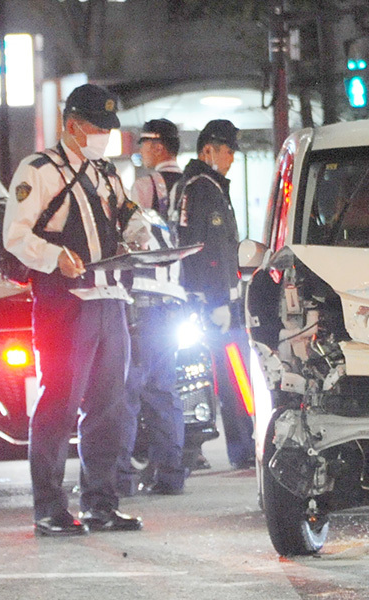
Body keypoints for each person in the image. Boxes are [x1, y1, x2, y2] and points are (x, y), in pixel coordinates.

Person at [3, 83, 146, 536]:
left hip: (109, 299)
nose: (103, 134)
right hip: (64, 304)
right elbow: (16, 235)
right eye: (96, 127)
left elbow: (128, 212)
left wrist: (140, 233)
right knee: (57, 406)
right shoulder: (39, 170)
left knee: (109, 408)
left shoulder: (105, 172)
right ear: (71, 125)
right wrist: (54, 258)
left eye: (107, 127)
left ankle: (101, 504)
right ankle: (49, 507)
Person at [171, 119, 255, 470]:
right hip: (216, 301)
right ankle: (244, 447)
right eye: (228, 150)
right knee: (235, 374)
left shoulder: (207, 186)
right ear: (208, 150)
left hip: (219, 297)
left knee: (233, 374)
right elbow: (204, 249)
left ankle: (244, 444)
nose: (232, 158)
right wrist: (218, 298)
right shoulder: (202, 188)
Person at [116, 119, 189, 496]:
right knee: (164, 390)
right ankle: (171, 475)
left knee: (125, 392)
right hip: (173, 300)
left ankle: (119, 480)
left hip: (140, 302)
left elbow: (127, 236)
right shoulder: (193, 187)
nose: (141, 149)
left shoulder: (144, 189)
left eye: (144, 142)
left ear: (159, 145)